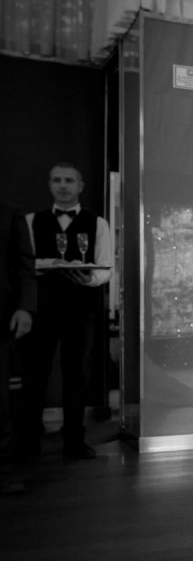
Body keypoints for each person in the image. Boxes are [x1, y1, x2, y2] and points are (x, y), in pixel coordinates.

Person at [17, 163, 112, 463]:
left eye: (69, 180)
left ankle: (75, 441)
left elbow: (105, 267)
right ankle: (29, 441)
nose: (63, 185)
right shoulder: (32, 221)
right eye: (57, 180)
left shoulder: (98, 223)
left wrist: (91, 279)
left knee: (77, 376)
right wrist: (46, 265)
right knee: (35, 376)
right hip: (41, 308)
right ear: (49, 185)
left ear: (80, 185)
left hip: (81, 309)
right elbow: (23, 265)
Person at [1, 199, 37, 491]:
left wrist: (26, 307)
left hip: (2, 316)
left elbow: (24, 265)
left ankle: (4, 472)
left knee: (1, 400)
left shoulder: (9, 211)